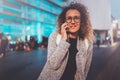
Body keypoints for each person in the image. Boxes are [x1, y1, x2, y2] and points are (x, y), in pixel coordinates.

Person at [37, 2, 94, 80]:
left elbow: (85, 70)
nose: (73, 22)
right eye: (69, 18)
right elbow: (53, 65)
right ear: (64, 21)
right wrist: (63, 41)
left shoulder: (87, 41)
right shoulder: (55, 36)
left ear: (82, 21)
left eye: (76, 18)